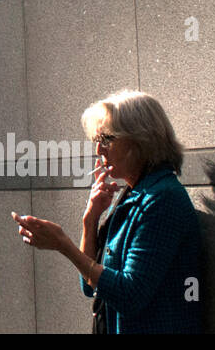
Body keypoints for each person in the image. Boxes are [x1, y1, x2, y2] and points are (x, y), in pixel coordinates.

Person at [11, 91, 201, 333]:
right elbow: (90, 286)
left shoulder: (161, 199)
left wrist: (63, 245)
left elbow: (130, 294)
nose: (99, 149)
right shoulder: (134, 194)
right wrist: (90, 219)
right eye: (96, 139)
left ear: (141, 140)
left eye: (107, 139)